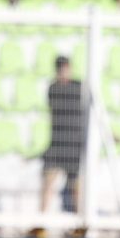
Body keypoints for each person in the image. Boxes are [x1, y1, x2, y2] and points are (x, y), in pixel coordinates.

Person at [42, 56, 84, 215]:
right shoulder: (54, 88)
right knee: (48, 181)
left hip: (74, 143)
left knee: (76, 185)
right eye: (61, 68)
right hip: (57, 142)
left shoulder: (78, 86)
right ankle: (41, 220)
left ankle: (79, 221)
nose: (64, 71)